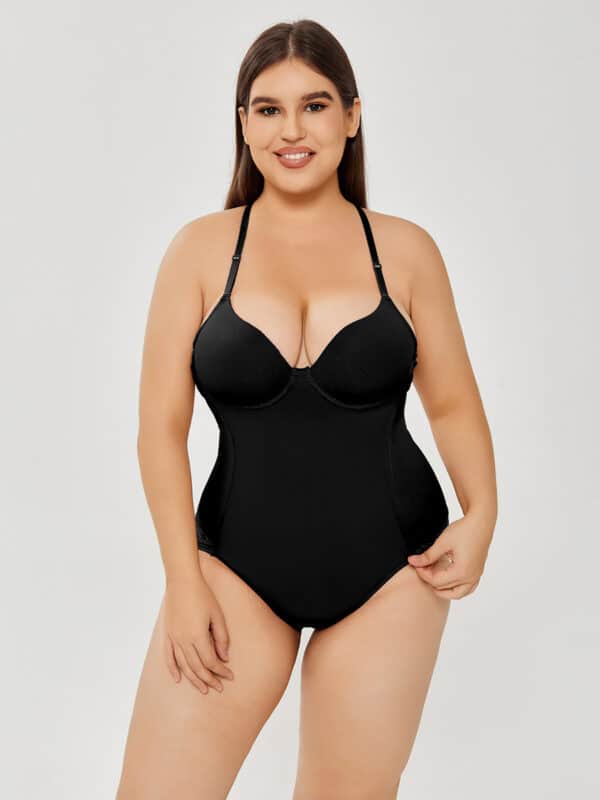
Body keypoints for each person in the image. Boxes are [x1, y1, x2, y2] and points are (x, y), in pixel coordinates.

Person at [116, 18, 497, 800]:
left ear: (351, 117)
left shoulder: (406, 251)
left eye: (315, 105)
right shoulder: (199, 251)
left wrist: (482, 512)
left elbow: (454, 403)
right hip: (233, 572)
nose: (292, 130)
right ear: (243, 124)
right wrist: (182, 581)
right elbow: (160, 430)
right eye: (268, 109)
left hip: (393, 573)